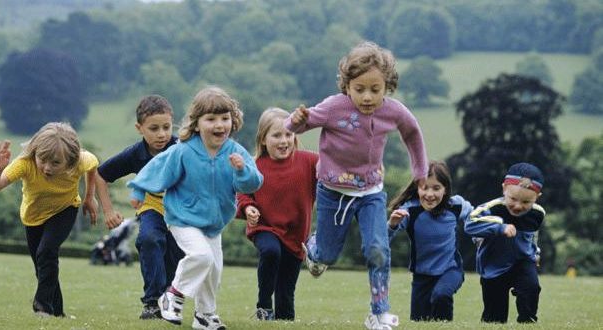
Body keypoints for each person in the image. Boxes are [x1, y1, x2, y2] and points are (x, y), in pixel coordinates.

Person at [285, 41, 428, 330]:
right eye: (359, 89)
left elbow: (412, 132)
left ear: (387, 86)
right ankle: (314, 248)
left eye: (375, 90)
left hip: (371, 193)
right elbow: (297, 126)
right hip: (332, 192)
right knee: (326, 255)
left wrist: (420, 170)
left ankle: (379, 313)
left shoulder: (394, 111)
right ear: (347, 86)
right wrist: (296, 120)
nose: (367, 97)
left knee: (377, 249)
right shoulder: (334, 107)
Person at [127, 86, 263, 329]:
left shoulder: (235, 152)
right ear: (197, 123)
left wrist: (242, 170)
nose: (219, 124)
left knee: (213, 271)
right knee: (201, 256)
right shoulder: (184, 150)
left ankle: (205, 316)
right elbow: (157, 167)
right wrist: (138, 189)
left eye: (225, 118)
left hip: (214, 223)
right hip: (183, 217)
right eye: (211, 119)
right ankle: (173, 294)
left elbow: (254, 182)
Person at [0, 122, 99, 317]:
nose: (47, 167)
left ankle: (42, 306)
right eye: (43, 159)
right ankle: (58, 313)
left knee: (46, 252)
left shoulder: (79, 160)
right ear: (35, 152)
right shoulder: (25, 164)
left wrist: (89, 197)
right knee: (42, 266)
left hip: (65, 208)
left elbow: (92, 166)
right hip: (33, 217)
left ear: (70, 161)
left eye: (55, 163)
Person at [94, 95, 184, 319]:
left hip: (181, 210)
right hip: (151, 206)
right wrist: (108, 210)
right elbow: (100, 175)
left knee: (174, 255)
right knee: (149, 239)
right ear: (139, 128)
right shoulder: (134, 154)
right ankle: (152, 302)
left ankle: (168, 299)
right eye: (154, 128)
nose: (162, 134)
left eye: (166, 127)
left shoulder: (182, 148)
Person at [235, 108, 319, 321]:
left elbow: (332, 174)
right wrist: (247, 208)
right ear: (263, 139)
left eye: (289, 135)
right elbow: (241, 192)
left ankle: (283, 321)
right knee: (271, 251)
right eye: (277, 135)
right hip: (265, 227)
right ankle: (263, 306)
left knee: (285, 294)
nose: (284, 141)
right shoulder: (254, 166)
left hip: (296, 236)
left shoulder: (309, 162)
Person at [387, 161, 472, 322]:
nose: (430, 194)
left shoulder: (456, 206)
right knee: (419, 322)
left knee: (442, 295)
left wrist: (479, 234)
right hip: (422, 277)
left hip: (451, 270)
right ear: (417, 188)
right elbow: (384, 240)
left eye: (436, 188)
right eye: (424, 188)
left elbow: (476, 217)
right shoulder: (410, 211)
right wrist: (392, 224)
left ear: (445, 189)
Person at [464, 162, 545, 324]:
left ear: (537, 198)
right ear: (504, 189)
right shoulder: (492, 208)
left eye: (526, 202)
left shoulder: (537, 213)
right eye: (513, 198)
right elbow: (469, 224)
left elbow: (532, 236)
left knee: (531, 288)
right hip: (493, 264)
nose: (518, 206)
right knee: (495, 318)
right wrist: (499, 227)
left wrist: (535, 254)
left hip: (523, 261)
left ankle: (527, 322)